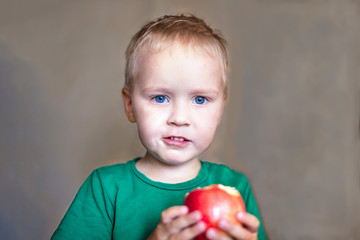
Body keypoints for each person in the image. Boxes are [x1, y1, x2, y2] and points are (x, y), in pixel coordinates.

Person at [51, 14, 267, 240]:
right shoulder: (106, 188)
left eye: (200, 99)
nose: (180, 118)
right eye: (160, 98)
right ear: (130, 105)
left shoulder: (235, 187)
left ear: (220, 110)